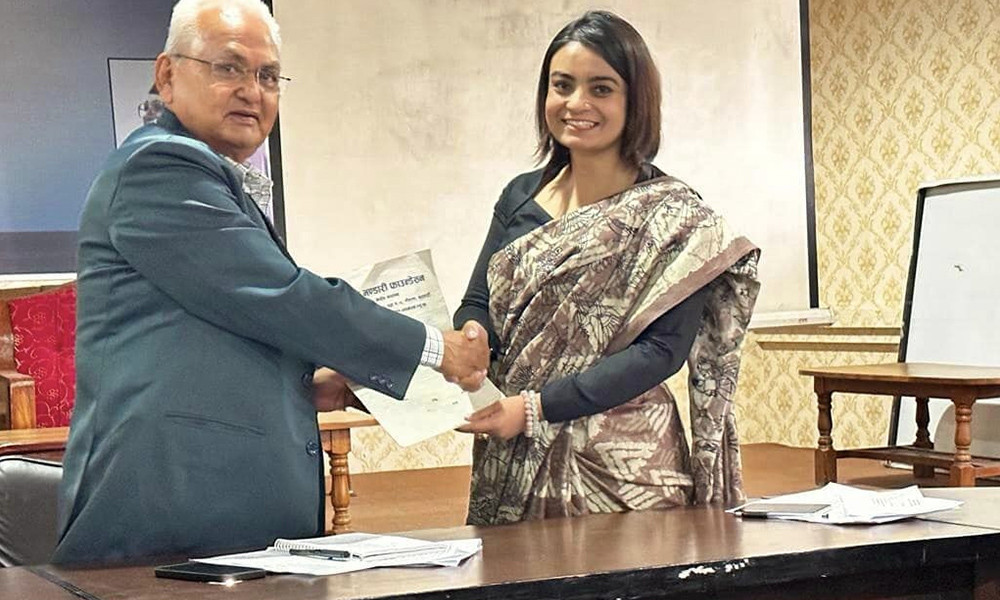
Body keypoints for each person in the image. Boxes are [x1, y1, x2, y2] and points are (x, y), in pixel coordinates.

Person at [53, 0, 487, 565]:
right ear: (167, 74)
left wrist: (302, 382)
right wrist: (434, 347)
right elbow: (281, 297)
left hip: (219, 509)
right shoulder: (158, 167)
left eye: (267, 76)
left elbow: (228, 325)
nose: (251, 91)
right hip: (169, 506)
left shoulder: (208, 172)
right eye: (228, 67)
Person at [455, 10, 760, 525]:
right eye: (562, 86)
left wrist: (534, 409)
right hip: (514, 456)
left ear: (635, 101)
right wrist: (472, 336)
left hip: (625, 470)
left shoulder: (675, 217)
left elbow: (660, 352)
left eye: (601, 88)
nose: (577, 103)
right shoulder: (519, 197)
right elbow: (479, 301)